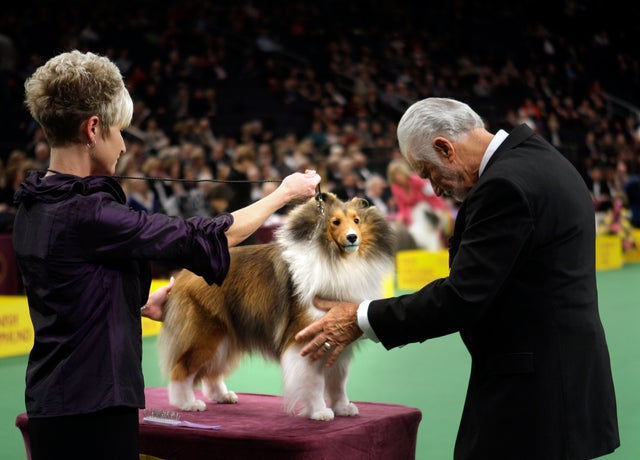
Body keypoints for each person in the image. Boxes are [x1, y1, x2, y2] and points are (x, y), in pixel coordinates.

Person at [14, 49, 321, 460]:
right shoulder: (90, 212)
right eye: (120, 131)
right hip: (94, 413)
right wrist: (284, 194)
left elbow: (68, 293)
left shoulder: (33, 203)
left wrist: (136, 302)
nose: (123, 145)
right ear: (92, 129)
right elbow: (196, 236)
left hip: (52, 403)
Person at [295, 97, 620, 460]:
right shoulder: (540, 158)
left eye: (428, 172)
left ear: (444, 148)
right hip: (563, 377)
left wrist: (359, 318)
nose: (435, 188)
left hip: (533, 393)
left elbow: (463, 296)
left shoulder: (504, 186)